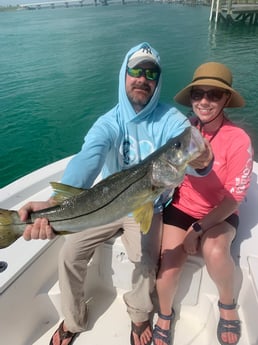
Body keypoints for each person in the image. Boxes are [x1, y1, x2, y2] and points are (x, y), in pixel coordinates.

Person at [18, 43, 212, 345]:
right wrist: (54, 204)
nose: (142, 78)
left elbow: (191, 151)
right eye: (136, 70)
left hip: (149, 203)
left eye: (150, 73)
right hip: (101, 205)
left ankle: (137, 315)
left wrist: (203, 160)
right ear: (124, 74)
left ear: (157, 81)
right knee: (69, 255)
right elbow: (89, 157)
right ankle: (73, 320)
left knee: (147, 259)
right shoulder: (109, 122)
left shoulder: (170, 119)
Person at [153, 62, 253, 345]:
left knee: (215, 250)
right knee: (168, 265)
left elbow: (234, 198)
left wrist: (199, 228)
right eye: (198, 94)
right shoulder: (184, 130)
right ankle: (164, 314)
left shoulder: (238, 140)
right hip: (182, 206)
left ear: (225, 100)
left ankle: (228, 306)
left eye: (214, 95)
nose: (204, 101)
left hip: (220, 212)